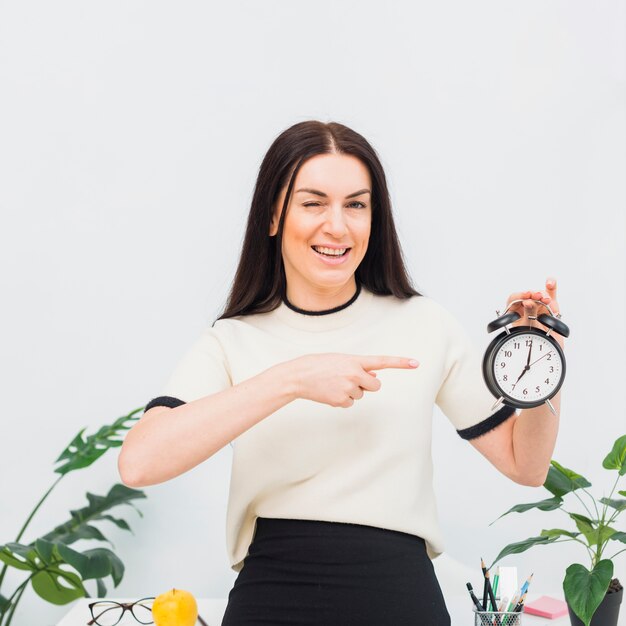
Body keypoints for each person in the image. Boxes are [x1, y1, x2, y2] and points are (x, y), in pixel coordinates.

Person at [118, 120, 563, 625]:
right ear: (272, 216)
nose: (338, 225)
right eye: (313, 203)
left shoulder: (424, 323)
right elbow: (140, 463)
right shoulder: (232, 340)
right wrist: (294, 378)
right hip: (272, 593)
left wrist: (543, 363)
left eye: (356, 204)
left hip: (401, 594)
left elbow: (526, 467)